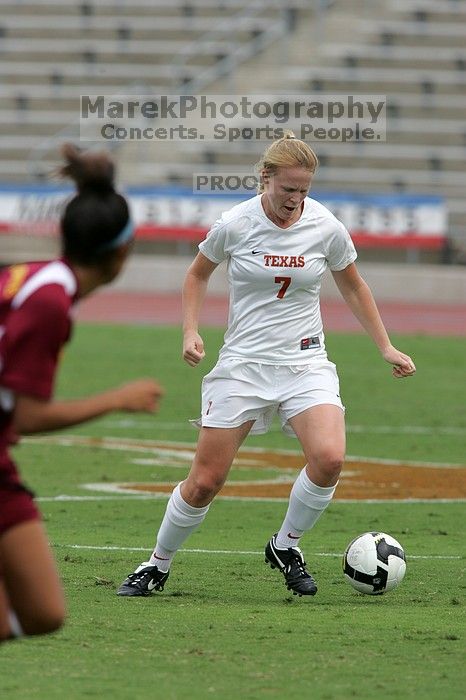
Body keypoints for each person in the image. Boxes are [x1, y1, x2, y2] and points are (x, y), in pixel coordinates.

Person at [118, 131, 415, 598]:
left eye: (304, 190)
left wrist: (386, 346)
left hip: (305, 361)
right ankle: (157, 564)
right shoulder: (235, 222)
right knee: (204, 482)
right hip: (243, 366)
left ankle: (285, 545)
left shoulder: (325, 226)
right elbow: (197, 274)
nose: (295, 200)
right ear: (265, 179)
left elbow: (354, 286)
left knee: (330, 458)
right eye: (287, 190)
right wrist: (190, 330)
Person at [0, 144, 163, 642]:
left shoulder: (35, 278)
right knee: (38, 610)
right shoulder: (49, 301)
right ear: (122, 252)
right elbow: (28, 415)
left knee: (40, 613)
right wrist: (117, 399)